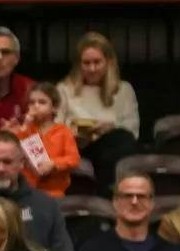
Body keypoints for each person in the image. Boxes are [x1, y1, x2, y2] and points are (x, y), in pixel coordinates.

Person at [57, 32, 140, 185]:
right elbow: (53, 128)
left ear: (108, 62)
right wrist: (72, 133)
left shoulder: (124, 90)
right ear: (78, 64)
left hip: (111, 149)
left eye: (97, 62)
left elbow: (132, 131)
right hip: (76, 148)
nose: (92, 68)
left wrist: (110, 128)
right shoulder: (64, 89)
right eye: (86, 63)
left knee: (120, 138)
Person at [12, 82, 81, 199]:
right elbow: (15, 151)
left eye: (42, 102)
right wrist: (25, 126)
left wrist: (53, 163)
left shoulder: (63, 131)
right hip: (25, 190)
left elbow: (74, 159)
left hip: (54, 193)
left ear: (54, 107)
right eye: (32, 102)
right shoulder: (25, 129)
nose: (36, 106)